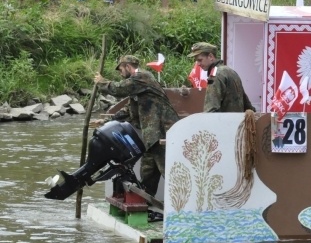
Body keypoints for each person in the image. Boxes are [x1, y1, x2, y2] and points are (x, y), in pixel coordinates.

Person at [94, 55, 179, 197]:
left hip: (163, 132)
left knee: (168, 170)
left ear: (128, 66)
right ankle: (147, 201)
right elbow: (129, 110)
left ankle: (183, 202)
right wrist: (105, 121)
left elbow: (118, 89)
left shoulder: (142, 77)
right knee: (148, 171)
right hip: (152, 136)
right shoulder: (138, 88)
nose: (120, 74)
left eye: (121, 70)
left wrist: (102, 82)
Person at [188, 42, 255, 113]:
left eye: (200, 60)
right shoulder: (231, 72)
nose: (198, 64)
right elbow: (248, 106)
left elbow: (211, 109)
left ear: (210, 56)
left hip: (223, 122)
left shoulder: (215, 75)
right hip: (237, 121)